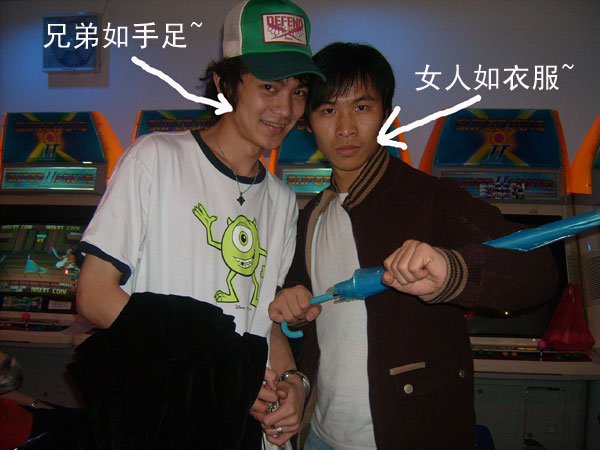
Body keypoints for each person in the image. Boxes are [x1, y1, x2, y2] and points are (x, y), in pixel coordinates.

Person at [268, 42, 558, 450]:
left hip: (415, 435)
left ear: (385, 114)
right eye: (328, 110)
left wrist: (452, 270)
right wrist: (293, 309)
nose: (345, 128)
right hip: (320, 434)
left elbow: (538, 272)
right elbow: (307, 315)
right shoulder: (313, 214)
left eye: (362, 107)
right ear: (309, 122)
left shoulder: (432, 200)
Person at [70, 1, 324, 448]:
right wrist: (222, 371)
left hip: (238, 428)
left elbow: (263, 319)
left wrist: (292, 383)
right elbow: (94, 295)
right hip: (161, 419)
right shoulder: (155, 159)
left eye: (298, 91)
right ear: (225, 84)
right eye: (268, 86)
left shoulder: (283, 200)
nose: (285, 108)